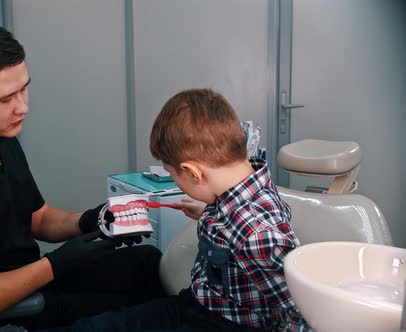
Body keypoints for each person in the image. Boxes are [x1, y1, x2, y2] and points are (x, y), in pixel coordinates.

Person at [0, 22, 164, 332]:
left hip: (35, 281)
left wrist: (91, 220)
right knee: (145, 314)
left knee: (147, 264)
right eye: (6, 99)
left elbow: (38, 218)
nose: (23, 107)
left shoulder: (2, 139)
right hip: (6, 313)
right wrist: (56, 264)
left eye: (24, 88)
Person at [41, 88, 313, 332]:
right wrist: (208, 208)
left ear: (192, 173)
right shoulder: (243, 185)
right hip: (197, 305)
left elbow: (300, 312)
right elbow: (238, 216)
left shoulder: (257, 234)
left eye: (174, 175)